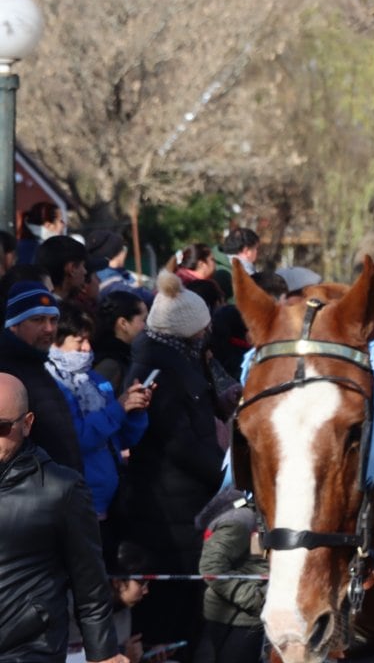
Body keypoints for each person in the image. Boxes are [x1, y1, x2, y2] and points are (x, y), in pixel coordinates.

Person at [124, 269, 223, 659]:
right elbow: (179, 441)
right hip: (168, 509)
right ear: (188, 332)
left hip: (182, 504)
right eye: (203, 328)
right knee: (173, 617)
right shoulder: (159, 371)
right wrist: (226, 473)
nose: (207, 333)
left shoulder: (176, 361)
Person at [0, 373, 127, 663]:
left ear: (27, 424)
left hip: (29, 650)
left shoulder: (61, 489)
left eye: (1, 427)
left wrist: (103, 654)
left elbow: (90, 586)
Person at [46, 302, 153, 565]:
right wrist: (119, 408)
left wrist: (135, 410)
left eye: (88, 341)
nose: (87, 349)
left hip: (110, 501)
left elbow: (120, 438)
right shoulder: (51, 384)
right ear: (56, 341)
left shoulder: (96, 381)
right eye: (78, 341)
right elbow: (77, 438)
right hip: (76, 504)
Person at [0, 279, 85, 472]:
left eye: (53, 320)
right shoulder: (6, 374)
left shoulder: (37, 366)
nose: (49, 328)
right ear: (14, 324)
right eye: (37, 320)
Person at [193, 488, 267, 663]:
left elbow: (257, 560)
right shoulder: (241, 520)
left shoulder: (257, 518)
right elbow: (211, 567)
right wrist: (256, 599)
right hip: (235, 620)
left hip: (247, 618)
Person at [93, 291, 148, 394]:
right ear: (123, 323)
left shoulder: (125, 355)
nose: (147, 327)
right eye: (144, 320)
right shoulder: (110, 364)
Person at [37, 235, 89, 303]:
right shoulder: (58, 311)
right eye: (83, 266)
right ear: (72, 269)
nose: (85, 272)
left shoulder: (34, 305)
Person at [16, 201, 66, 265]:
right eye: (60, 220)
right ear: (48, 225)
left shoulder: (27, 244)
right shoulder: (33, 247)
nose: (64, 224)